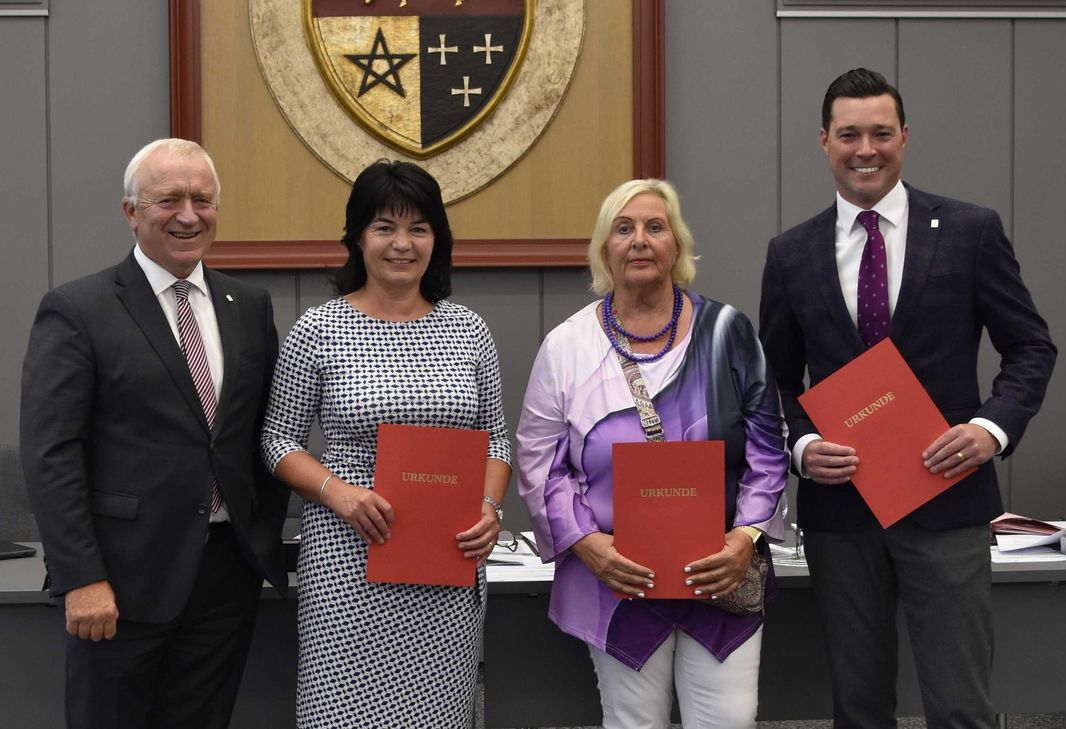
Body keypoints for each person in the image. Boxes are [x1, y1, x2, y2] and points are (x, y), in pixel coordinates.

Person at [758, 68, 1057, 728]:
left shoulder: (970, 231)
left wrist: (989, 429)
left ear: (904, 137)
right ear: (823, 141)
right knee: (858, 708)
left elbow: (1031, 347)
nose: (865, 148)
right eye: (848, 134)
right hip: (843, 511)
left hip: (946, 497)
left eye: (880, 133)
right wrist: (803, 447)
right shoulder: (791, 254)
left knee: (959, 707)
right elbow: (771, 381)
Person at [20, 138, 289, 729]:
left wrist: (259, 540)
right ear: (131, 212)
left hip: (224, 580)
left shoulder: (248, 304)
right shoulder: (78, 309)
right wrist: (82, 578)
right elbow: (52, 455)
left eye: (202, 198)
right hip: (119, 583)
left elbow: (261, 434)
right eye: (168, 199)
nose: (188, 214)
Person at [516, 178, 788, 729]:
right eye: (624, 228)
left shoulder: (727, 332)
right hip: (616, 581)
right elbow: (540, 462)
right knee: (633, 723)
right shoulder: (566, 346)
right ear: (604, 250)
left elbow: (768, 444)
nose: (639, 240)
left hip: (720, 574)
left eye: (655, 227)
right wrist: (589, 546)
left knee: (729, 722)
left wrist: (746, 537)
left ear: (677, 247)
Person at [260, 159, 512, 728]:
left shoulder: (469, 329)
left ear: (437, 240)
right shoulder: (318, 328)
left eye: (418, 228)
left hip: (446, 561)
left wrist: (490, 508)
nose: (402, 244)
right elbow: (277, 440)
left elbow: (495, 438)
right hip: (348, 559)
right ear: (356, 238)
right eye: (384, 227)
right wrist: (338, 493)